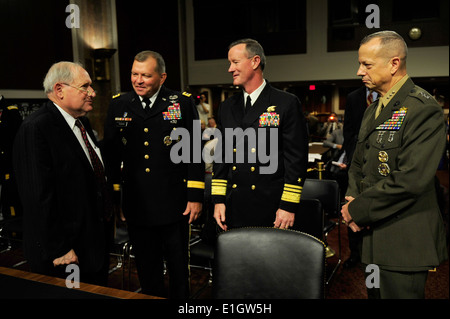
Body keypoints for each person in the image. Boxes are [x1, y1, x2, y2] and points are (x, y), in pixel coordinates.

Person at [341, 31, 448, 299]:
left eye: (366, 64)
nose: (359, 71)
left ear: (394, 63)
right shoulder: (372, 109)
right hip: (372, 236)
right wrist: (352, 195)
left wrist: (356, 209)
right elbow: (358, 162)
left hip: (403, 240)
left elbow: (410, 179)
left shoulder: (422, 108)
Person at [102, 50, 204, 298]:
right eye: (134, 74)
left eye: (146, 75)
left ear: (162, 77)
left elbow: (193, 153)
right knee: (147, 270)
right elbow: (112, 157)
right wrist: (115, 198)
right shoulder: (119, 104)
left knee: (179, 270)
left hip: (175, 203)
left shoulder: (181, 103)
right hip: (137, 204)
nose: (138, 80)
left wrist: (195, 196)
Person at [12, 62, 112, 286]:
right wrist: (60, 248)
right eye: (85, 87)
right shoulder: (36, 128)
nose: (93, 93)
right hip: (64, 254)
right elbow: (37, 197)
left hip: (92, 245)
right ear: (59, 90)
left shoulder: (82, 123)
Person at [212, 38, 308, 231]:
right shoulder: (227, 107)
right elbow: (221, 159)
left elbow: (295, 160)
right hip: (234, 205)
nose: (230, 69)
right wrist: (218, 200)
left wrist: (288, 206)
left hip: (271, 207)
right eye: (230, 63)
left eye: (235, 62)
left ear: (255, 62)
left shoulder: (285, 103)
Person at [341, 87, 378, 269]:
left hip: (378, 164)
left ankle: (373, 254)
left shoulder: (388, 94)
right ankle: (355, 254)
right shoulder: (353, 97)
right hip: (355, 165)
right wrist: (352, 155)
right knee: (352, 205)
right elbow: (348, 130)